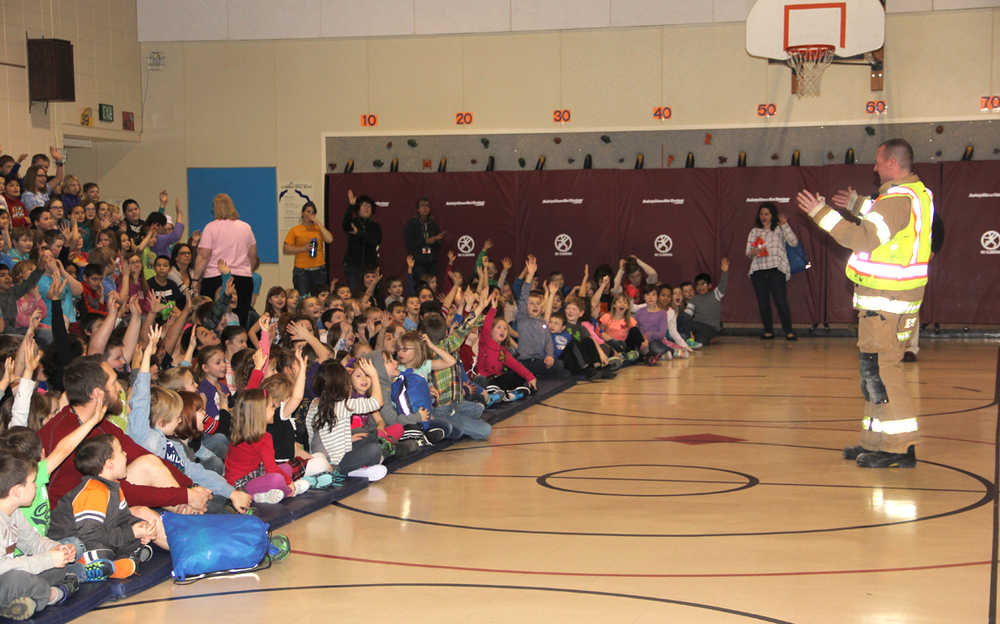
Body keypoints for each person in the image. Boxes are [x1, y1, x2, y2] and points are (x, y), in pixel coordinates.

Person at [796, 137, 932, 469]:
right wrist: (857, 205)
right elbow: (885, 224)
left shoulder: (899, 198)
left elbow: (864, 238)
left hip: (888, 303)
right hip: (887, 303)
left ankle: (899, 448)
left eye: (877, 161)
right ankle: (876, 442)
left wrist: (821, 213)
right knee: (873, 373)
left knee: (884, 373)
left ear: (892, 164)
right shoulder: (913, 193)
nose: (873, 167)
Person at [0, 454, 80, 621]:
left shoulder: (14, 512)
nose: (36, 486)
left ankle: (23, 602)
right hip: (6, 578)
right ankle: (54, 594)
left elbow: (32, 541)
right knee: (17, 580)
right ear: (17, 491)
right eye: (33, 483)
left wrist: (56, 549)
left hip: (10, 576)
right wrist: (47, 559)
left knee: (58, 568)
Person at [193, 193, 258, 327]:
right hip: (243, 279)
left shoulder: (210, 227)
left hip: (215, 278)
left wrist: (195, 278)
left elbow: (203, 256)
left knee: (213, 320)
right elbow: (253, 255)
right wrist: (247, 271)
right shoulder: (245, 227)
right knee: (240, 320)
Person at [746, 202, 799, 340]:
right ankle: (768, 330)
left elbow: (794, 242)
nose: (764, 216)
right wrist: (754, 251)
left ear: (772, 215)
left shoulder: (779, 229)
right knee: (763, 303)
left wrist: (784, 224)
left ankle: (788, 330)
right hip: (758, 270)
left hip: (776, 269)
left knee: (781, 301)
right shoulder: (754, 231)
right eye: (762, 214)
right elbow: (748, 253)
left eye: (767, 214)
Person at [283, 201, 333, 297]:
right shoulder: (295, 230)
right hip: (302, 271)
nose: (310, 215)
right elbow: (286, 249)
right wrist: (303, 248)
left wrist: (318, 223)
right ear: (302, 213)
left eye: (313, 212)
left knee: (320, 297)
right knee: (303, 297)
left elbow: (329, 239)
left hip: (319, 269)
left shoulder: (318, 229)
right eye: (308, 211)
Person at [341, 189, 381, 294]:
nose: (367, 208)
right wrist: (351, 206)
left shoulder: (375, 226)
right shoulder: (353, 222)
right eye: (364, 205)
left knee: (371, 292)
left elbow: (375, 241)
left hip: (370, 266)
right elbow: (345, 225)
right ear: (358, 209)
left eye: (369, 206)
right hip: (353, 265)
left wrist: (359, 233)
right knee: (355, 293)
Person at [403, 198, 445, 283]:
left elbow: (438, 244)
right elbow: (409, 243)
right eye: (422, 205)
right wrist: (425, 241)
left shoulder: (433, 224)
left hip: (432, 261)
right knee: (421, 286)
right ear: (418, 209)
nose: (425, 208)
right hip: (418, 262)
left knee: (432, 285)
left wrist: (437, 240)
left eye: (427, 206)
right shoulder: (411, 224)